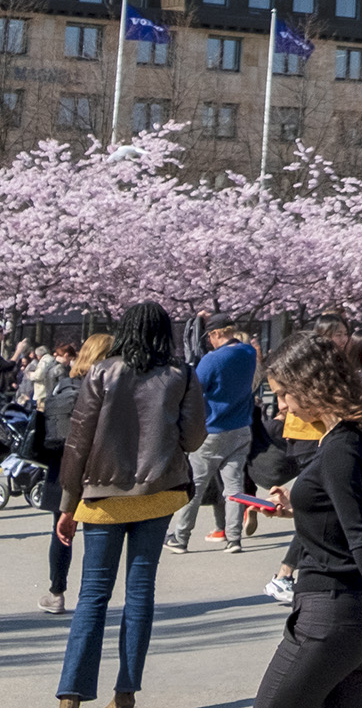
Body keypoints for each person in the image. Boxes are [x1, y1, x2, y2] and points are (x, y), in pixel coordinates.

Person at [247, 332, 362, 707]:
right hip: (355, 617)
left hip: (331, 615)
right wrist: (300, 506)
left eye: (284, 394)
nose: (281, 408)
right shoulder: (359, 434)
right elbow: (355, 509)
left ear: (310, 386)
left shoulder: (340, 447)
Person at [52, 302, 205, 708]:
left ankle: (71, 693)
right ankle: (125, 692)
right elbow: (192, 440)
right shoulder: (182, 375)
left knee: (92, 595)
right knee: (140, 594)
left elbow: (79, 440)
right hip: (159, 493)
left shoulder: (102, 372)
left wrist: (68, 504)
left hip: (104, 497)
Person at [37, 335, 113, 617]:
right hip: (98, 466)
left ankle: (56, 593)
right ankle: (92, 596)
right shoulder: (109, 386)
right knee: (97, 532)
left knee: (61, 532)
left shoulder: (65, 383)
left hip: (62, 464)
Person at [167, 317, 256, 555]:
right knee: (234, 487)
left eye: (209, 337)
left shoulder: (212, 360)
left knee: (194, 486)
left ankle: (180, 537)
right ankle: (234, 539)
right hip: (240, 429)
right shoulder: (249, 352)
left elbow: (193, 389)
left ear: (216, 334)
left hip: (212, 430)